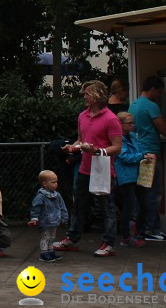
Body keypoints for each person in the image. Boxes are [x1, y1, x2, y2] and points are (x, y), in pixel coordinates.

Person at [55, 80, 122, 257]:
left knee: (106, 206)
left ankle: (108, 243)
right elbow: (80, 139)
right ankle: (72, 237)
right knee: (79, 204)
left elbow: (117, 147)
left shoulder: (111, 119)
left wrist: (97, 151)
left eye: (88, 94)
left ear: (98, 96)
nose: (84, 97)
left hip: (103, 170)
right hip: (85, 168)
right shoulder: (82, 116)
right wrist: (72, 147)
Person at [128, 76, 166, 241]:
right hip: (150, 153)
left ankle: (137, 227)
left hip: (138, 152)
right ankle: (152, 228)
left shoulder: (133, 105)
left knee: (141, 192)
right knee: (154, 192)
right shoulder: (151, 106)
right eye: (158, 91)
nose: (159, 95)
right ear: (153, 89)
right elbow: (163, 129)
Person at [113, 112, 154, 248]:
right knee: (129, 206)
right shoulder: (118, 140)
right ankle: (126, 236)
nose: (132, 125)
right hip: (126, 176)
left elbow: (137, 152)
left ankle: (136, 230)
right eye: (129, 123)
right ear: (121, 124)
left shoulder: (133, 137)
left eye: (133, 123)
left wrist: (144, 155)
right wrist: (142, 155)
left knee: (145, 205)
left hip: (138, 174)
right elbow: (125, 157)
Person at [29, 170, 68, 262]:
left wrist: (64, 217)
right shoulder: (41, 197)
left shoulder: (57, 195)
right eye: (53, 182)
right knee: (45, 237)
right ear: (45, 184)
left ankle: (50, 251)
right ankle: (44, 253)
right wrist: (34, 218)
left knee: (52, 237)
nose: (56, 184)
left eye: (56, 182)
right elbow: (35, 208)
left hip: (54, 221)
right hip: (45, 222)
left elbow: (62, 207)